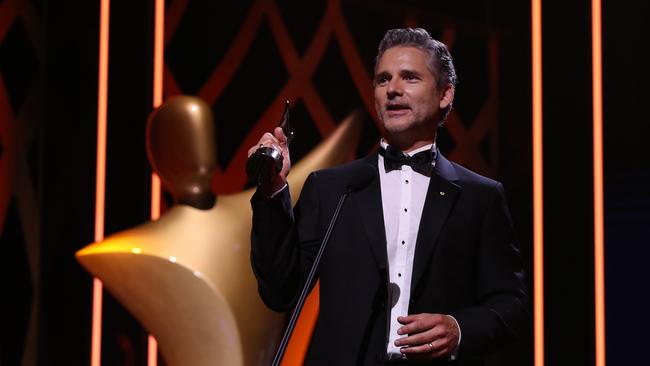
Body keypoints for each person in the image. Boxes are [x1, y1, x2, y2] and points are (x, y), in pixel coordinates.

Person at [249, 28, 528, 365]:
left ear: (445, 94)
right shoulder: (332, 188)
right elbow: (280, 290)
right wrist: (272, 190)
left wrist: (458, 328)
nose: (393, 89)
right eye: (383, 80)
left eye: (409, 77)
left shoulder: (479, 197)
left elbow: (511, 304)